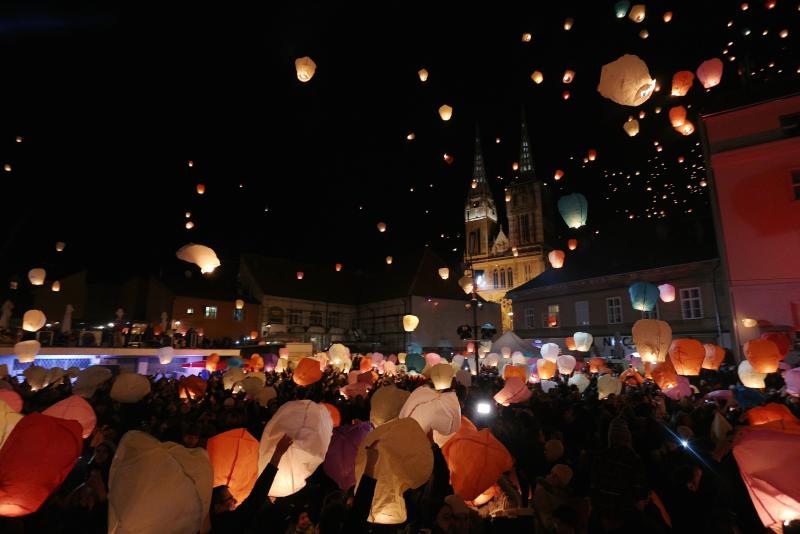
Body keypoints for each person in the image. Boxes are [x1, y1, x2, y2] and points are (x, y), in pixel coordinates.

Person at [210, 433, 293, 533]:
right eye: (230, 499)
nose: (234, 502)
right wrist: (277, 454)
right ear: (217, 506)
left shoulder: (204, 523)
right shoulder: (229, 523)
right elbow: (257, 496)